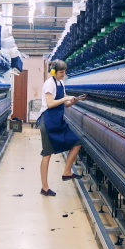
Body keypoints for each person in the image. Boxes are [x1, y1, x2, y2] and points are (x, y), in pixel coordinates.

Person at [37, 60, 87, 196]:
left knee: (77, 142)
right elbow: (50, 103)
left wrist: (74, 100)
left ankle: (66, 172)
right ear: (54, 72)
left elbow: (65, 105)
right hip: (47, 122)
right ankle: (45, 187)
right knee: (47, 154)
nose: (63, 74)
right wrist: (66, 99)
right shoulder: (49, 84)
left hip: (57, 121)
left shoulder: (60, 83)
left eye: (64, 72)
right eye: (61, 72)